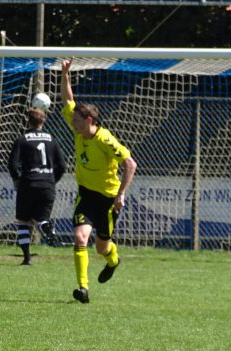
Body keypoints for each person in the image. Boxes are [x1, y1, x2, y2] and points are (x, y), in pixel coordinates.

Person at [60, 58, 138, 304]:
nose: (72, 123)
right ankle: (83, 288)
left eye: (77, 121)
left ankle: (113, 260)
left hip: (107, 200)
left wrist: (121, 194)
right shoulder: (79, 130)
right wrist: (65, 74)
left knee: (101, 247)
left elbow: (130, 164)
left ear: (89, 121)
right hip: (86, 195)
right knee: (80, 238)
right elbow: (68, 101)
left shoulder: (105, 140)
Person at [8, 106, 66, 265]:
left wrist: (17, 180)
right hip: (47, 185)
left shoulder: (22, 139)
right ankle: (47, 228)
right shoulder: (52, 139)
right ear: (43, 121)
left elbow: (12, 165)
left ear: (28, 120)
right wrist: (52, 180)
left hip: (28, 183)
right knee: (41, 219)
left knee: (23, 221)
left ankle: (27, 258)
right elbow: (62, 166)